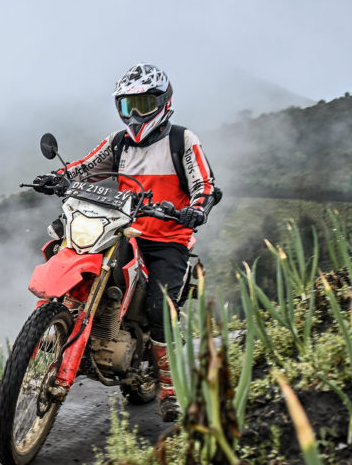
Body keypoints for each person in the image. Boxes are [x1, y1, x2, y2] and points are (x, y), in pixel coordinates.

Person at [32, 63, 218, 422]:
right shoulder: (118, 143)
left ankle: (168, 389)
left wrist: (196, 209)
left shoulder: (183, 140)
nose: (134, 114)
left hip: (167, 239)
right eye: (126, 105)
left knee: (158, 307)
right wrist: (55, 177)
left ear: (164, 102)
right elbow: (84, 167)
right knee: (70, 256)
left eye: (143, 104)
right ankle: (59, 338)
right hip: (121, 230)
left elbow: (204, 185)